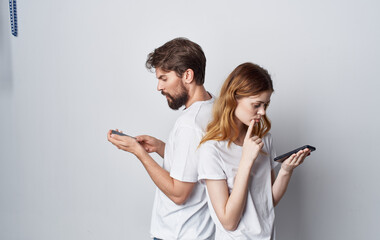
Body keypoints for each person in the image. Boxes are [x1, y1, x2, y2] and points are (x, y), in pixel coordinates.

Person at [107, 38, 215, 240]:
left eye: (164, 78)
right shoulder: (215, 109)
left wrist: (138, 153)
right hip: (201, 232)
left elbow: (179, 194)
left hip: (178, 234)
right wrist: (161, 147)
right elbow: (199, 163)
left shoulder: (189, 124)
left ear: (188, 75)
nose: (159, 87)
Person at [197, 62, 311, 240]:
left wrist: (286, 171)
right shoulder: (211, 150)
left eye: (266, 105)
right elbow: (228, 222)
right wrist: (246, 161)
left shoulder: (264, 140)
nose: (263, 112)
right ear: (233, 99)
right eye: (256, 105)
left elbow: (267, 202)